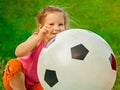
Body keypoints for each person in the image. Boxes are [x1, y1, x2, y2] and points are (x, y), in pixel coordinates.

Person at [2, 5, 68, 90]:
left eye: (60, 24)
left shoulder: (62, 45)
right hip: (17, 80)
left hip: (38, 84)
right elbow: (18, 52)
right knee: (14, 65)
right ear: (40, 27)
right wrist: (37, 38)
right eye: (51, 24)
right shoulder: (37, 39)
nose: (57, 28)